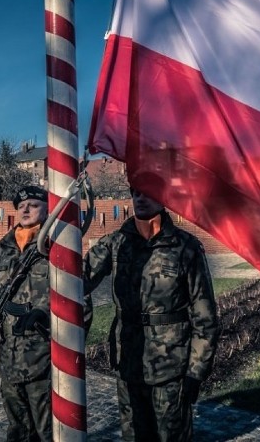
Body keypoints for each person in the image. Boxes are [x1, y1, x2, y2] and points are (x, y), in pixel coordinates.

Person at [83, 175, 220, 441]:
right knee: (133, 435)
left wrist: (196, 371)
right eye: (135, 192)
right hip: (129, 360)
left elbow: (205, 316)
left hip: (171, 364)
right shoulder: (116, 243)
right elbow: (78, 279)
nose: (140, 198)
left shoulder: (184, 247)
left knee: (171, 436)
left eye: (148, 192)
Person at [0, 185, 52, 442]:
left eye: (34, 205)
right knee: (17, 429)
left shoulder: (56, 247)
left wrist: (45, 315)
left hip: (43, 357)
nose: (25, 209)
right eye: (21, 206)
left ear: (48, 208)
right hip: (8, 357)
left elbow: (79, 298)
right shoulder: (4, 248)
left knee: (47, 430)